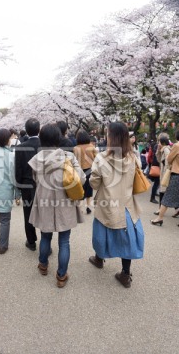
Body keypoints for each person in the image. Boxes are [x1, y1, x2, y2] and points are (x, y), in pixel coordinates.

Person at [28, 123, 86, 288]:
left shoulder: (36, 159)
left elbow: (35, 180)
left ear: (41, 139)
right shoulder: (68, 157)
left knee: (45, 236)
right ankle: (61, 275)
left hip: (44, 199)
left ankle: (43, 265)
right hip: (65, 200)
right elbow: (81, 179)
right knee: (64, 241)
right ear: (58, 138)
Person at [89, 122, 144, 288]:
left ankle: (99, 259)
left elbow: (94, 183)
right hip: (126, 204)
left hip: (107, 203)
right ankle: (125, 274)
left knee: (101, 233)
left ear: (110, 137)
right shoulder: (133, 157)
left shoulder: (101, 158)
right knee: (127, 238)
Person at [15, 118, 40, 251]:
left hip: (26, 184)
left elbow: (18, 169)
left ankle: (31, 242)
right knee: (44, 213)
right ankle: (45, 240)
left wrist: (19, 186)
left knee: (28, 213)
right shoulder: (45, 145)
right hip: (43, 184)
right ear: (39, 129)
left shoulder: (20, 148)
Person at [151, 130, 179, 226]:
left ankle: (159, 218)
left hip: (176, 174)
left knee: (167, 197)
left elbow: (169, 159)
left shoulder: (176, 146)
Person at [73, 130, 97, 214]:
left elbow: (74, 160)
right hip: (90, 169)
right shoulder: (91, 147)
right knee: (89, 188)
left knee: (81, 188)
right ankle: (88, 206)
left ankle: (80, 208)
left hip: (80, 170)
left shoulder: (76, 148)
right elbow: (97, 158)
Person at [153, 136, 171, 215]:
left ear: (163, 143)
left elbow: (167, 162)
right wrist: (158, 150)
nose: (158, 144)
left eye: (159, 142)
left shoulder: (166, 150)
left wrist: (166, 173)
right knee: (163, 192)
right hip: (163, 173)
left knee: (163, 192)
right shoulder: (163, 150)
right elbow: (159, 159)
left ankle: (160, 210)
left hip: (165, 173)